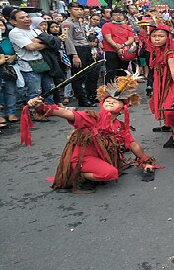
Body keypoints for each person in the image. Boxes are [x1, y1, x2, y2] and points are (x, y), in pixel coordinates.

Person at [22, 75, 157, 193]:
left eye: (116, 101)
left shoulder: (118, 126)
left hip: (99, 157)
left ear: (123, 109)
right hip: (81, 158)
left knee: (116, 166)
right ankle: (77, 173)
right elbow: (65, 113)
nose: (110, 101)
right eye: (108, 100)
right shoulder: (91, 117)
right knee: (111, 173)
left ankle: (95, 167)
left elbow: (132, 144)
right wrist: (40, 106)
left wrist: (146, 161)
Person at [148, 24, 174, 148]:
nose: (157, 39)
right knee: (164, 109)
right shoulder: (156, 51)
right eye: (154, 36)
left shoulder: (170, 55)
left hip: (171, 85)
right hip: (161, 85)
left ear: (168, 37)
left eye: (161, 36)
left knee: (169, 110)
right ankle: (173, 129)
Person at [8, 10, 55, 105]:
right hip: (28, 65)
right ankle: (34, 112)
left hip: (42, 62)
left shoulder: (36, 30)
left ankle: (49, 110)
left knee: (48, 88)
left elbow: (52, 42)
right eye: (22, 18)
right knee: (34, 91)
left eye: (27, 16)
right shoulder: (15, 32)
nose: (26, 19)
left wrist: (39, 42)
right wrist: (45, 44)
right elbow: (30, 47)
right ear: (13, 22)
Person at [61, 2, 99, 107]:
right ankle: (82, 99)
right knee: (78, 76)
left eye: (80, 10)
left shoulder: (80, 23)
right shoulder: (67, 24)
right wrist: (74, 55)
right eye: (76, 9)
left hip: (86, 49)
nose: (79, 12)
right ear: (69, 11)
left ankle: (91, 96)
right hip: (77, 50)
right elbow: (68, 40)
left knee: (91, 74)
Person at [101, 8, 135, 82]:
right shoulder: (106, 26)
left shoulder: (127, 27)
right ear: (111, 16)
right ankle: (109, 89)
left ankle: (121, 89)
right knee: (111, 71)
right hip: (110, 51)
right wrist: (117, 48)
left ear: (123, 16)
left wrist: (122, 45)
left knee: (123, 71)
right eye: (115, 15)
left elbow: (131, 39)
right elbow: (108, 39)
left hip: (124, 52)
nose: (118, 17)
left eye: (120, 15)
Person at [0, 21, 18, 122]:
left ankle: (11, 113)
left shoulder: (9, 39)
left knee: (11, 91)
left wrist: (12, 57)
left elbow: (18, 51)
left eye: (1, 25)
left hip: (9, 68)